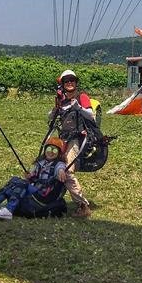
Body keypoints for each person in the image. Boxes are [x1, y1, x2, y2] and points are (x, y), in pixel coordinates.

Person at [0, 137, 67, 221]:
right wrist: (30, 176)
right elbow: (34, 179)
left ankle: (9, 210)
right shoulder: (41, 163)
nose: (51, 152)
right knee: (15, 180)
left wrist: (61, 171)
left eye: (54, 150)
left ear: (59, 153)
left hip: (44, 197)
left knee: (23, 184)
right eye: (49, 149)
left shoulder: (58, 164)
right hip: (35, 192)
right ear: (45, 149)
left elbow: (61, 167)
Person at [48, 69, 93, 218]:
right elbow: (51, 118)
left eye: (72, 80)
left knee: (66, 171)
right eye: (66, 81)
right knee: (52, 166)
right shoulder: (61, 100)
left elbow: (91, 116)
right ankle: (51, 198)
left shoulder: (82, 97)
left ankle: (83, 205)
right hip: (63, 139)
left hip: (78, 138)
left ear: (76, 82)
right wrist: (55, 108)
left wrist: (78, 107)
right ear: (62, 84)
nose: (69, 83)